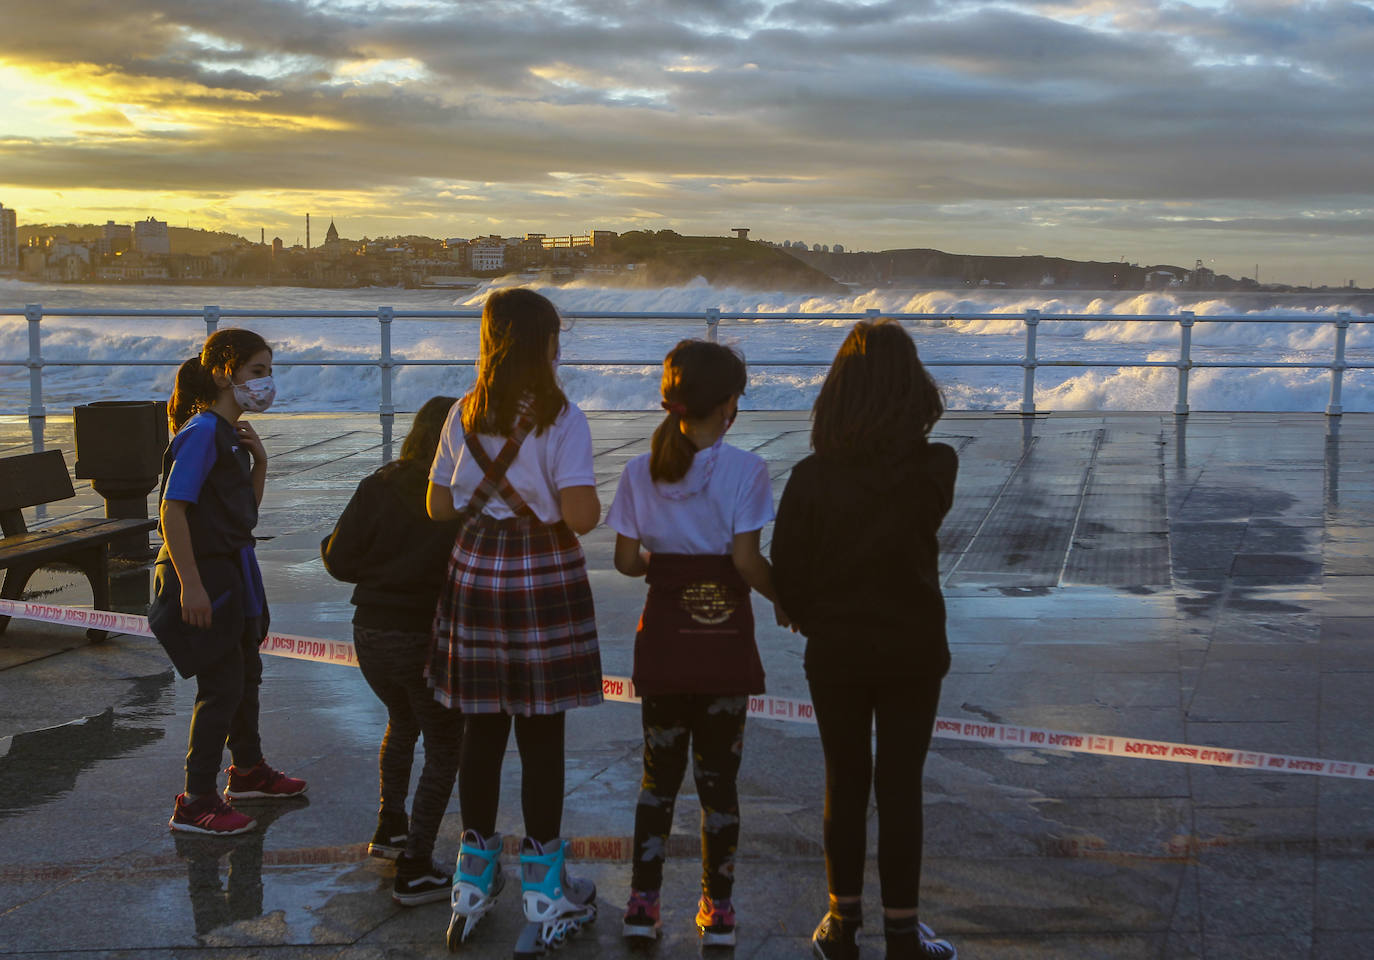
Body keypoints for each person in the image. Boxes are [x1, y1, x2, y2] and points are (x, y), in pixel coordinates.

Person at [770, 319, 959, 960]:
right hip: (912, 645)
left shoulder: (809, 478)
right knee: (902, 785)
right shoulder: (937, 467)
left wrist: (800, 612)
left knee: (843, 779)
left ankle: (841, 924)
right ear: (913, 390)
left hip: (837, 649)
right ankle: (903, 932)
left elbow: (788, 572)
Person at [426, 288, 603, 954]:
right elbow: (581, 515)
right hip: (542, 574)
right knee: (542, 734)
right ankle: (544, 887)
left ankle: (473, 883)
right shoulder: (564, 419)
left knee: (481, 727)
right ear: (545, 345)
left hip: (475, 571)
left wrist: (488, 493)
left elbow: (438, 506)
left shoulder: (462, 413)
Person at [605, 339, 780, 948]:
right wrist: (788, 596)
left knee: (658, 779)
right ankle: (719, 910)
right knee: (718, 783)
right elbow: (746, 562)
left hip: (662, 646)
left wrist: (664, 558)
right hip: (724, 646)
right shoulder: (747, 472)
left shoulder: (636, 472)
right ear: (729, 404)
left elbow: (627, 560)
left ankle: (642, 904)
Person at [153, 328, 307, 837]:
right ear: (225, 372)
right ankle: (196, 800)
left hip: (234, 569)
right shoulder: (201, 433)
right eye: (257, 371)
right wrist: (190, 584)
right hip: (207, 573)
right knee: (220, 686)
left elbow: (243, 514)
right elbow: (172, 512)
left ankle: (247, 773)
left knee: (246, 676)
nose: (266, 383)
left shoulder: (229, 436)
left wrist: (261, 461)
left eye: (269, 371)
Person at [321, 395, 465, 906]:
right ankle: (417, 866)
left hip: (370, 634)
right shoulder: (456, 495)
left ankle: (390, 827)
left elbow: (338, 561)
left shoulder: (377, 483)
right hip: (424, 634)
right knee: (446, 745)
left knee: (401, 723)